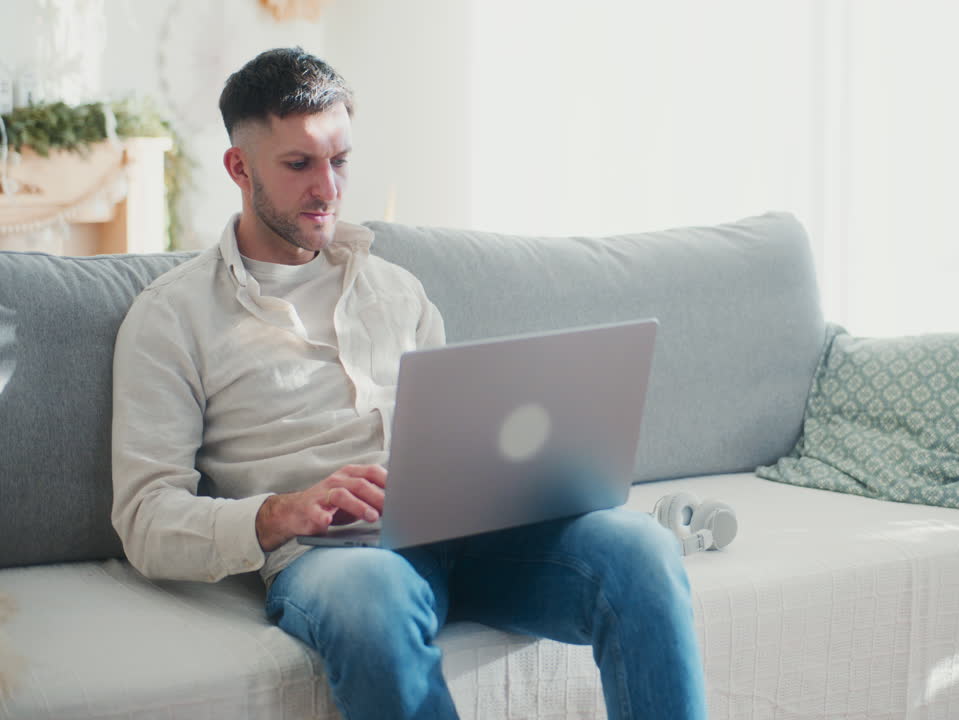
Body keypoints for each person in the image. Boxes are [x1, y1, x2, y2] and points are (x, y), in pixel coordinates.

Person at [110, 47, 707, 720]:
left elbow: (456, 437)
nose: (328, 189)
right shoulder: (172, 317)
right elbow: (145, 518)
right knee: (371, 599)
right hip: (336, 559)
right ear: (239, 168)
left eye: (339, 161)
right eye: (299, 164)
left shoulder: (397, 290)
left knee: (643, 549)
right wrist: (279, 511)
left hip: (468, 539)